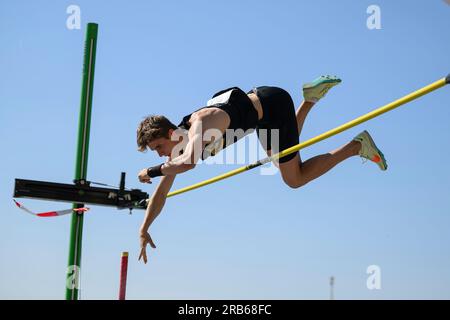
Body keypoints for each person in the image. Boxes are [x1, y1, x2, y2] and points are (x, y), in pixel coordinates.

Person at [136, 76, 387, 263]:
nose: (160, 154)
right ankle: (310, 99)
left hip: (273, 108)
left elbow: (188, 163)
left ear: (171, 133)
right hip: (264, 116)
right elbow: (163, 190)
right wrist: (144, 228)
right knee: (284, 160)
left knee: (294, 178)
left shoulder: (198, 125)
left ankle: (356, 146)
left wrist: (153, 170)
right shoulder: (180, 144)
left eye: (159, 147)